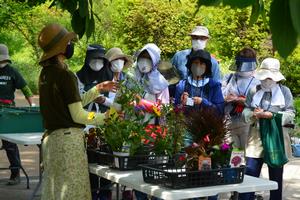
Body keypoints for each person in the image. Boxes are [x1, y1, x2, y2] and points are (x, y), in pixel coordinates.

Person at [37, 24, 117, 200]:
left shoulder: (45, 74)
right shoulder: (65, 76)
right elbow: (79, 115)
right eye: (68, 42)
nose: (70, 45)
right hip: (68, 144)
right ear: (61, 48)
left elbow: (71, 103)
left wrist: (98, 89)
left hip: (52, 142)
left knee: (55, 194)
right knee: (73, 194)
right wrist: (105, 118)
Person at [239, 58, 295, 200]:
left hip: (277, 138)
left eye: (270, 77)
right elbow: (245, 111)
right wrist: (253, 114)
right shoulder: (254, 90)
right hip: (255, 137)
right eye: (265, 76)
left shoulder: (285, 91)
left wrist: (272, 115)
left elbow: (290, 114)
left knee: (275, 178)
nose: (268, 80)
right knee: (250, 174)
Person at [133, 43, 169, 200]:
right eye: (142, 58)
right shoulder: (133, 78)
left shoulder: (161, 83)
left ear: (155, 61)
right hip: (135, 130)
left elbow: (164, 109)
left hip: (155, 130)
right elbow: (124, 102)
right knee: (136, 172)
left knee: (157, 171)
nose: (144, 62)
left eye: (149, 59)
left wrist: (143, 104)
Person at [0, 43, 33, 185]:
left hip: (8, 111)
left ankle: (16, 173)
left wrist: (32, 105)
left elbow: (25, 88)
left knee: (10, 144)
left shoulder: (13, 72)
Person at [222, 47, 260, 149]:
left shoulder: (258, 80)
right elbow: (220, 97)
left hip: (247, 122)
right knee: (231, 157)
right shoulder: (229, 77)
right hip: (229, 122)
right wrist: (227, 98)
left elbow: (260, 104)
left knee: (247, 156)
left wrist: (242, 100)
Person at [175, 49, 224, 115]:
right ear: (190, 65)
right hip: (185, 123)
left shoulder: (214, 85)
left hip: (207, 124)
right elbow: (176, 110)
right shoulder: (182, 85)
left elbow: (220, 110)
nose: (198, 66)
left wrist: (203, 102)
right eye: (196, 63)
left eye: (202, 64)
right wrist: (181, 104)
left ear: (206, 67)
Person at [76, 44, 113, 113]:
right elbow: (74, 102)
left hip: (104, 117)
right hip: (83, 116)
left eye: (100, 59)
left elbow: (114, 102)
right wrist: (90, 96)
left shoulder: (109, 77)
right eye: (94, 58)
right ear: (88, 59)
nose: (97, 62)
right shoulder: (78, 77)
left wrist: (104, 100)